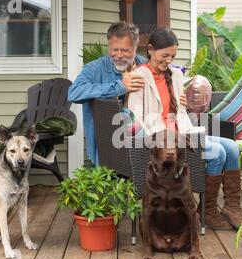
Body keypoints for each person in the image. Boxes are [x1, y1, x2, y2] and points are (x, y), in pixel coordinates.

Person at [127, 27, 242, 230]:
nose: (169, 60)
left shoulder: (176, 75)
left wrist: (184, 111)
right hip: (164, 142)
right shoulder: (140, 76)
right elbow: (136, 116)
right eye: (164, 55)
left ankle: (232, 207)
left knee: (232, 147)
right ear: (151, 50)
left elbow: (180, 112)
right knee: (217, 153)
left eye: (172, 56)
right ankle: (207, 211)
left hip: (183, 133)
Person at [68, 21, 187, 165]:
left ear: (136, 48)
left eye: (125, 50)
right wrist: (120, 87)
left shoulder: (145, 67)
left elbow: (167, 81)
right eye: (114, 49)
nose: (119, 55)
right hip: (107, 143)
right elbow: (74, 93)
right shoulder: (94, 69)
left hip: (143, 140)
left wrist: (177, 98)